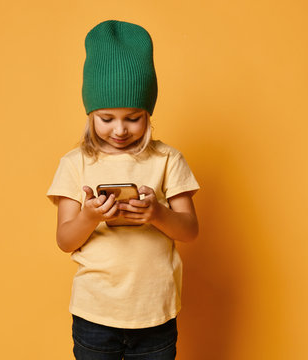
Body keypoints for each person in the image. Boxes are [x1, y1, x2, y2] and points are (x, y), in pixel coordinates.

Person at [46, 20, 199, 360]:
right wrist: (89, 216)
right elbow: (65, 240)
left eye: (133, 118)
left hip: (155, 314)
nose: (120, 129)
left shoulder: (167, 159)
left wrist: (157, 213)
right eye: (106, 118)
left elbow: (190, 231)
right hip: (94, 315)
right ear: (90, 114)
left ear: (148, 113)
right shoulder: (75, 164)